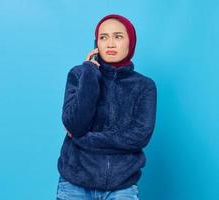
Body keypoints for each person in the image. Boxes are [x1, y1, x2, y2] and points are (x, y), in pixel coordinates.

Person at [56, 14, 157, 200]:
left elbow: (137, 137)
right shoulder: (79, 75)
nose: (110, 44)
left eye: (118, 36)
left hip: (121, 186)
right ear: (96, 43)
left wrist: (83, 139)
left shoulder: (144, 86)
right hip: (74, 184)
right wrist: (89, 73)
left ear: (130, 42)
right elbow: (75, 124)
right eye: (103, 37)